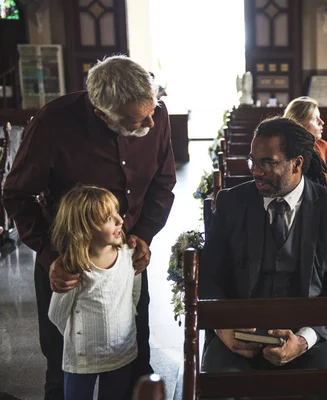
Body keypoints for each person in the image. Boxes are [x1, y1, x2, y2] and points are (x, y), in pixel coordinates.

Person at [3, 55, 176, 400]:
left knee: (135, 355)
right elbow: (17, 194)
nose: (151, 124)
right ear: (103, 115)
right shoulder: (54, 122)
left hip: (125, 263)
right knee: (63, 362)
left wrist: (143, 233)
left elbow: (162, 182)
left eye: (153, 111)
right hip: (67, 265)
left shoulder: (154, 114)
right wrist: (53, 256)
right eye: (136, 122)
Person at [199, 117, 327, 400]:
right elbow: (210, 278)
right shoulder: (231, 203)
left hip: (315, 329)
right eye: (252, 161)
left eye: (267, 163)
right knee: (219, 390)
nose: (256, 171)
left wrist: (303, 339)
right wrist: (224, 330)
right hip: (241, 328)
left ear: (297, 163)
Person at [48, 185, 140, 400]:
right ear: (84, 228)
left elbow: (134, 295)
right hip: (83, 358)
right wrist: (79, 335)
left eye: (117, 213)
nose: (119, 221)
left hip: (121, 352)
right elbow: (57, 314)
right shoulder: (74, 267)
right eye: (109, 218)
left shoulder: (130, 256)